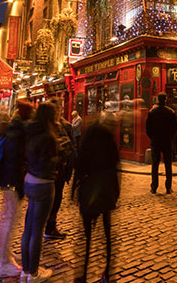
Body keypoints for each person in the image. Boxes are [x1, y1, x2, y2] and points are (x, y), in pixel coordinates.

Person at [72, 114, 120, 283]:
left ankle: (83, 274)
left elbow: (79, 166)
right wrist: (116, 191)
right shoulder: (109, 141)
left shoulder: (88, 142)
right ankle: (107, 272)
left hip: (89, 192)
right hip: (106, 192)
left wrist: (74, 191)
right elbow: (115, 167)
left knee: (86, 237)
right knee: (107, 236)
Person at [0, 101, 32, 278]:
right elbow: (17, 162)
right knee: (9, 221)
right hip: (12, 183)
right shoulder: (19, 134)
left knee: (6, 219)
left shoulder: (12, 129)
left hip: (8, 181)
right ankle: (4, 263)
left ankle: (3, 255)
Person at [20, 103, 59, 283]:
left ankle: (25, 270)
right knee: (37, 230)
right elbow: (48, 162)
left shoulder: (30, 132)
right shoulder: (48, 136)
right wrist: (59, 158)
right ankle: (34, 274)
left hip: (30, 180)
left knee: (28, 227)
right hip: (43, 184)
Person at [44, 103, 74, 240]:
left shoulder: (65, 126)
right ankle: (48, 227)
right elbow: (72, 149)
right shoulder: (61, 126)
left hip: (50, 172)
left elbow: (73, 150)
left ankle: (49, 226)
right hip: (53, 172)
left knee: (54, 201)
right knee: (52, 200)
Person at [146, 92, 177, 194]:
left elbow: (148, 129)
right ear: (166, 99)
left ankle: (154, 187)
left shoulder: (152, 112)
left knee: (155, 164)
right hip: (167, 141)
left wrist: (153, 137)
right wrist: (170, 136)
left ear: (158, 100)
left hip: (156, 141)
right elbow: (174, 128)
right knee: (168, 164)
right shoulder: (171, 112)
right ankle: (168, 187)